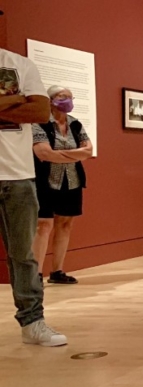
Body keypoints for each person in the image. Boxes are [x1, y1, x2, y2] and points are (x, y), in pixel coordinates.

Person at [0, 47, 67, 346]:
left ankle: (32, 322)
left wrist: (25, 103)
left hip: (18, 175)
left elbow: (40, 111)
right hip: (18, 176)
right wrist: (15, 101)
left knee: (23, 255)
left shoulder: (19, 64)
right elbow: (28, 106)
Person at [31, 85, 93, 285]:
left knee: (65, 224)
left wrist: (58, 156)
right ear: (50, 100)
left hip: (72, 180)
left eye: (69, 96)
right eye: (61, 96)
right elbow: (43, 153)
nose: (67, 100)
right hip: (45, 181)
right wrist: (75, 154)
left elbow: (89, 150)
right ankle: (36, 273)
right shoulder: (39, 123)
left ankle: (57, 270)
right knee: (43, 225)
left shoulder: (75, 124)